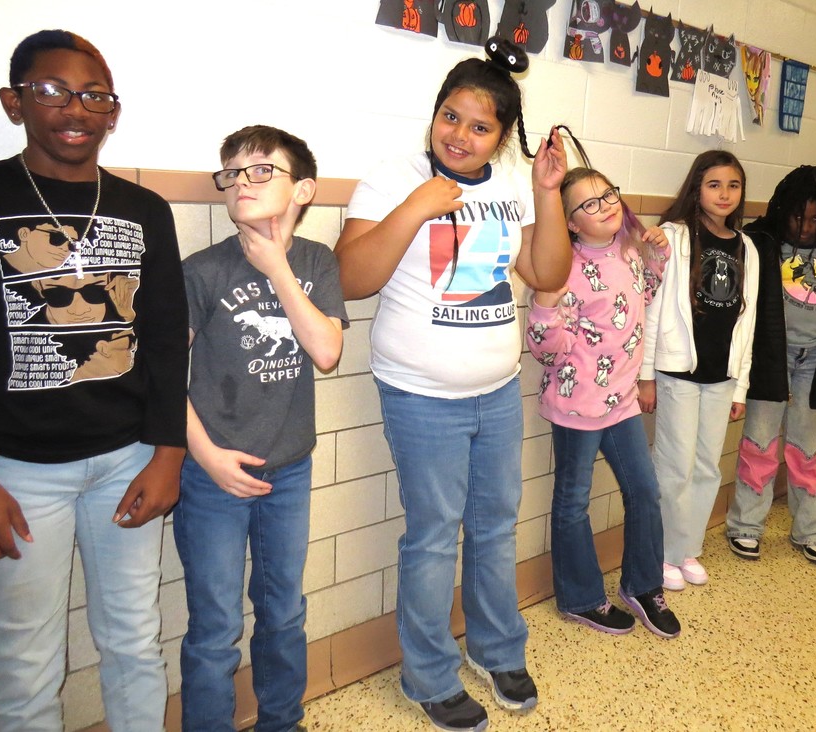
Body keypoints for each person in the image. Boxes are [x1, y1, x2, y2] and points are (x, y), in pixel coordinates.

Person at [335, 36, 570, 732]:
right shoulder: (391, 175)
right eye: (450, 115)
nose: (459, 134)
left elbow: (547, 273)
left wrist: (546, 193)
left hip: (496, 391)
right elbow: (351, 279)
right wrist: (417, 206)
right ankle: (427, 674)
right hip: (419, 395)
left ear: (500, 137)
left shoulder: (506, 187)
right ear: (434, 114)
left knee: (496, 527)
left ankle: (497, 649)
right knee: (435, 535)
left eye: (479, 125)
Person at [0, 29, 188, 731]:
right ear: (15, 102)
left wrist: (168, 453)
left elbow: (162, 341)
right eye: (53, 91)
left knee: (133, 637)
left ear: (112, 112)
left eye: (95, 95)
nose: (76, 108)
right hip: (15, 472)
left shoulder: (144, 209)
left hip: (126, 462)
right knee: (27, 658)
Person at [174, 125, 347, 731]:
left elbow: (326, 351)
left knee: (282, 612)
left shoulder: (316, 262)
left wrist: (276, 267)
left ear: (304, 190)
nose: (241, 182)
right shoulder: (202, 270)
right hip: (212, 476)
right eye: (232, 173)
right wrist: (209, 457)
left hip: (289, 474)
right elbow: (163, 377)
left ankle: (282, 721)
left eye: (260, 171)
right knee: (216, 627)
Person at [526, 165, 680, 637]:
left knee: (645, 493)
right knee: (573, 502)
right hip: (576, 405)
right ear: (570, 222)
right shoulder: (560, 266)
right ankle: (580, 597)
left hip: (623, 402)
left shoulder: (629, 250)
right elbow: (544, 349)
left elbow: (643, 297)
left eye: (608, 194)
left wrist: (656, 257)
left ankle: (643, 585)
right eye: (589, 204)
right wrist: (545, 304)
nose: (606, 206)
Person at [724, 166, 816, 566]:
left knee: (807, 446)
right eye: (797, 218)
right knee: (759, 441)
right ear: (782, 210)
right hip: (770, 358)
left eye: (815, 220)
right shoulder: (760, 241)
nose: (805, 228)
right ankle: (745, 525)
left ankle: (810, 529)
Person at [638, 150, 759, 590]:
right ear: (697, 188)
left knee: (708, 465)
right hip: (678, 375)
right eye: (714, 185)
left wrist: (741, 386)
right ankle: (664, 553)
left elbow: (748, 321)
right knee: (674, 466)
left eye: (733, 185)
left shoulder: (746, 247)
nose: (725, 194)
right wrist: (647, 375)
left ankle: (688, 549)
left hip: (722, 376)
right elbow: (653, 310)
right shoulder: (674, 236)